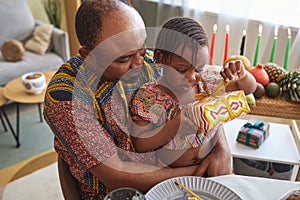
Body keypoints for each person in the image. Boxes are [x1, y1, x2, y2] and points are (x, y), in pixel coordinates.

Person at [43, 1, 233, 199]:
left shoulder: (152, 60)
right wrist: (202, 173)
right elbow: (115, 175)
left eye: (142, 50)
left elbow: (200, 99)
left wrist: (221, 149)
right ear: (89, 55)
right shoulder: (66, 97)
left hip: (174, 175)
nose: (139, 63)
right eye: (123, 59)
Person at [129, 17, 257, 168]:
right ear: (160, 58)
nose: (191, 77)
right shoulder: (148, 97)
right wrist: (172, 128)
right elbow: (140, 144)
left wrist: (243, 75)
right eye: (181, 70)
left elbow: (249, 89)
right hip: (170, 172)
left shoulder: (207, 84)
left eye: (198, 69)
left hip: (210, 165)